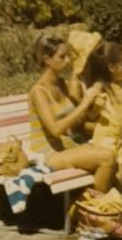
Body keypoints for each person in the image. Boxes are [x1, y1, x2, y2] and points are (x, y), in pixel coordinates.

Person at [28, 33, 115, 191]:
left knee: (114, 151)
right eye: (62, 57)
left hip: (66, 146)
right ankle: (97, 209)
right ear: (47, 59)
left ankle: (110, 205)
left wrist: (93, 106)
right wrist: (84, 104)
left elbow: (78, 121)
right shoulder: (38, 92)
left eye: (67, 55)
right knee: (106, 158)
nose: (67, 60)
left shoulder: (61, 83)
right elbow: (55, 130)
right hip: (47, 153)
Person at [83, 39, 122, 195]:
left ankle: (119, 201)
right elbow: (90, 114)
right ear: (111, 67)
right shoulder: (101, 86)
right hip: (105, 138)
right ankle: (110, 202)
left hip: (119, 138)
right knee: (116, 172)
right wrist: (96, 106)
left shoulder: (119, 84)